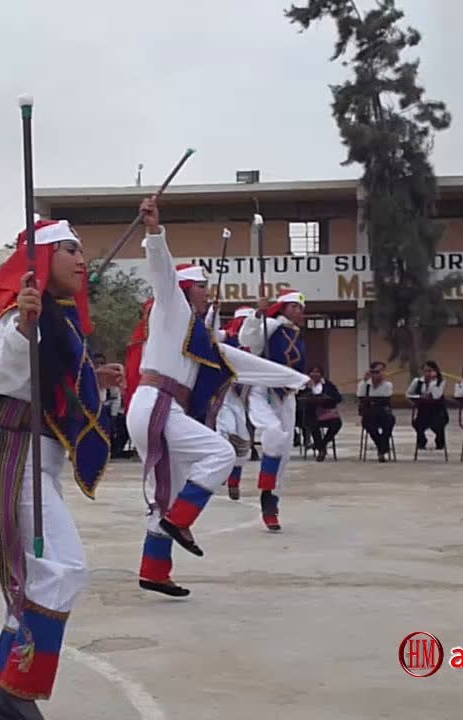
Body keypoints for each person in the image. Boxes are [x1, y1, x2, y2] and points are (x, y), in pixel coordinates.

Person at [0, 217, 120, 719]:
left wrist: (94, 377)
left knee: (33, 583)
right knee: (63, 569)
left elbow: (45, 380)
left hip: (33, 457)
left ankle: (1, 697)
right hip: (11, 452)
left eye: (82, 250)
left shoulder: (55, 317)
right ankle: (16, 695)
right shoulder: (20, 312)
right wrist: (22, 330)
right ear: (42, 258)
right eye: (70, 250)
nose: (82, 260)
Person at [125, 197, 308, 595]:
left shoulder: (196, 336)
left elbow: (238, 360)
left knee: (167, 495)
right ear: (187, 290)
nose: (208, 294)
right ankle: (181, 520)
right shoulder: (171, 308)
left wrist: (293, 378)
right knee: (222, 453)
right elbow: (162, 272)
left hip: (157, 408)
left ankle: (154, 570)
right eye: (203, 287)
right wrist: (154, 232)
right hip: (157, 404)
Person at [240, 289, 312, 531]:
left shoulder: (297, 334)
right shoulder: (271, 325)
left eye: (301, 307)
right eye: (294, 306)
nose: (298, 311)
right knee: (272, 432)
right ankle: (266, 494)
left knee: (285, 450)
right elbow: (248, 340)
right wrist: (258, 315)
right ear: (283, 308)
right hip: (262, 391)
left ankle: (271, 500)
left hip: (286, 396)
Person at [213, 306, 256, 498]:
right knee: (225, 435)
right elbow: (212, 334)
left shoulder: (256, 346)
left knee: (242, 440)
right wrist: (214, 312)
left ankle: (234, 482)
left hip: (241, 400)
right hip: (222, 397)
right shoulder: (225, 337)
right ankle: (218, 473)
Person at [296, 365, 343, 462]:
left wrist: (326, 398)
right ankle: (321, 450)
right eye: (312, 372)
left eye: (317, 372)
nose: (315, 374)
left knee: (337, 424)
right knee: (313, 425)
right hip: (310, 414)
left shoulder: (328, 384)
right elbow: (298, 399)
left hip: (326, 413)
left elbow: (338, 398)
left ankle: (322, 445)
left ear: (321, 374)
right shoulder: (304, 385)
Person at [357, 361, 395, 461]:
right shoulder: (364, 384)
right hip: (369, 414)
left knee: (389, 423)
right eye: (376, 372)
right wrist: (365, 382)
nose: (379, 374)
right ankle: (382, 447)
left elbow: (386, 399)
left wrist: (373, 401)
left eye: (382, 371)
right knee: (368, 425)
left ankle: (381, 449)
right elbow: (361, 397)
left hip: (383, 413)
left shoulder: (387, 385)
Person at [406, 360, 449, 451]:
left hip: (438, 412)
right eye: (425, 371)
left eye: (430, 371)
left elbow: (436, 395)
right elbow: (408, 394)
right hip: (423, 411)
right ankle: (422, 441)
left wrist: (432, 383)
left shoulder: (440, 381)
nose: (427, 373)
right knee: (417, 423)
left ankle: (440, 441)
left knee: (438, 424)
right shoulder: (417, 381)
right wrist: (419, 397)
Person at [95, 352, 129, 458]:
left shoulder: (109, 376)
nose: (99, 365)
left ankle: (116, 450)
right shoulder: (88, 377)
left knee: (122, 422)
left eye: (102, 363)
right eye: (97, 363)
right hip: (94, 410)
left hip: (109, 409)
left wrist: (114, 415)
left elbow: (116, 398)